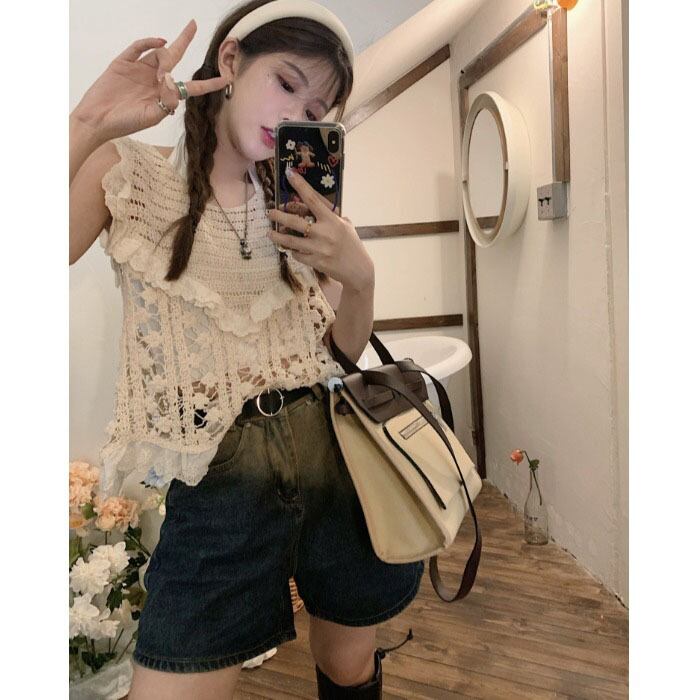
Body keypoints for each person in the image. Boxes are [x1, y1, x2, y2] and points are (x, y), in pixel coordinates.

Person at [69, 1, 424, 697]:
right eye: (287, 82)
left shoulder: (302, 210)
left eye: (316, 108)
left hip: (337, 471)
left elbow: (339, 355)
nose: (295, 113)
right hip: (219, 490)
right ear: (230, 61)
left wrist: (361, 278)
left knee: (348, 667)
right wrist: (86, 124)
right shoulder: (132, 176)